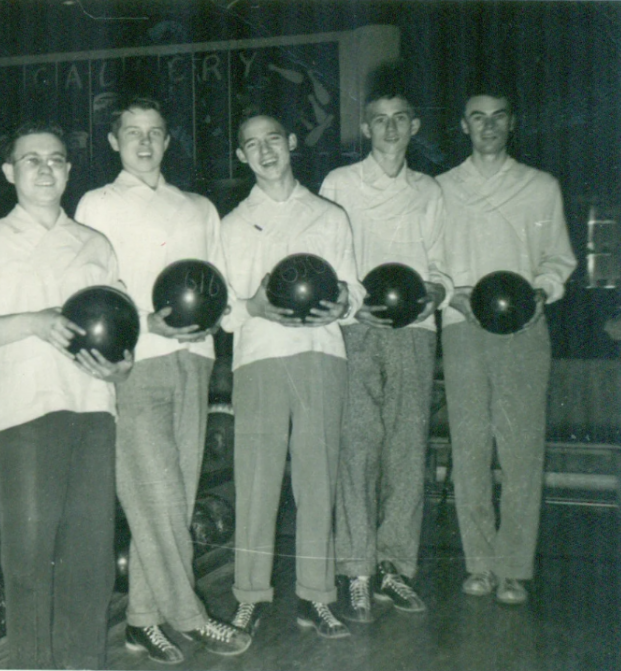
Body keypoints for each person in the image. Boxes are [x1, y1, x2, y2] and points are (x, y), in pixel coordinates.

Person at [0, 122, 132, 669]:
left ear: (70, 171)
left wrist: (121, 367)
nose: (46, 168)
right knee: (29, 562)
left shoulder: (96, 245)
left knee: (91, 564)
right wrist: (34, 321)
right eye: (32, 160)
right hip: (24, 415)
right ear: (10, 173)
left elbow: (120, 332)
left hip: (94, 412)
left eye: (56, 159)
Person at [75, 96, 251, 663]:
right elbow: (89, 288)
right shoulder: (95, 204)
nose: (144, 143)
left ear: (168, 140)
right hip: (135, 362)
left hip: (195, 361)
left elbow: (218, 284)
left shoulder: (199, 208)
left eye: (155, 132)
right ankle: (190, 616)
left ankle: (142, 621)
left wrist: (221, 319)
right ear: (112, 141)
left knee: (171, 500)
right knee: (157, 496)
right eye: (132, 132)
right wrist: (134, 326)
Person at [219, 112, 363, 641]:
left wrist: (343, 303)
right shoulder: (231, 224)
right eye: (251, 144)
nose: (264, 151)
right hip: (258, 358)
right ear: (241, 156)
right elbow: (225, 309)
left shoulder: (329, 215)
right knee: (256, 482)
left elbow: (352, 288)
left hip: (321, 354)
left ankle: (317, 597)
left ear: (293, 141)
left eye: (273, 139)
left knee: (317, 480)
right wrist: (252, 306)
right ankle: (249, 596)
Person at [318, 84, 453, 623]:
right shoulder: (339, 183)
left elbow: (441, 266)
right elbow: (329, 260)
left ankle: (394, 566)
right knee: (357, 448)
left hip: (416, 330)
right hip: (356, 326)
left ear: (414, 126)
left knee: (405, 448)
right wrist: (353, 304)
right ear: (366, 127)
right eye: (380, 119)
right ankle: (356, 570)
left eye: (401, 118)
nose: (391, 128)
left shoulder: (430, 191)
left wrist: (433, 293)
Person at [437, 87, 576, 606]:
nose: (488, 126)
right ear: (463, 126)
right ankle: (479, 564)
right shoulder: (443, 188)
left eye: (498, 117)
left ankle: (514, 568)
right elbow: (434, 267)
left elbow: (559, 260)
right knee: (469, 448)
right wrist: (456, 298)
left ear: (511, 124)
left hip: (523, 329)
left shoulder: (541, 186)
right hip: (463, 327)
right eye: (478, 118)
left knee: (520, 450)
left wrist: (541, 290)